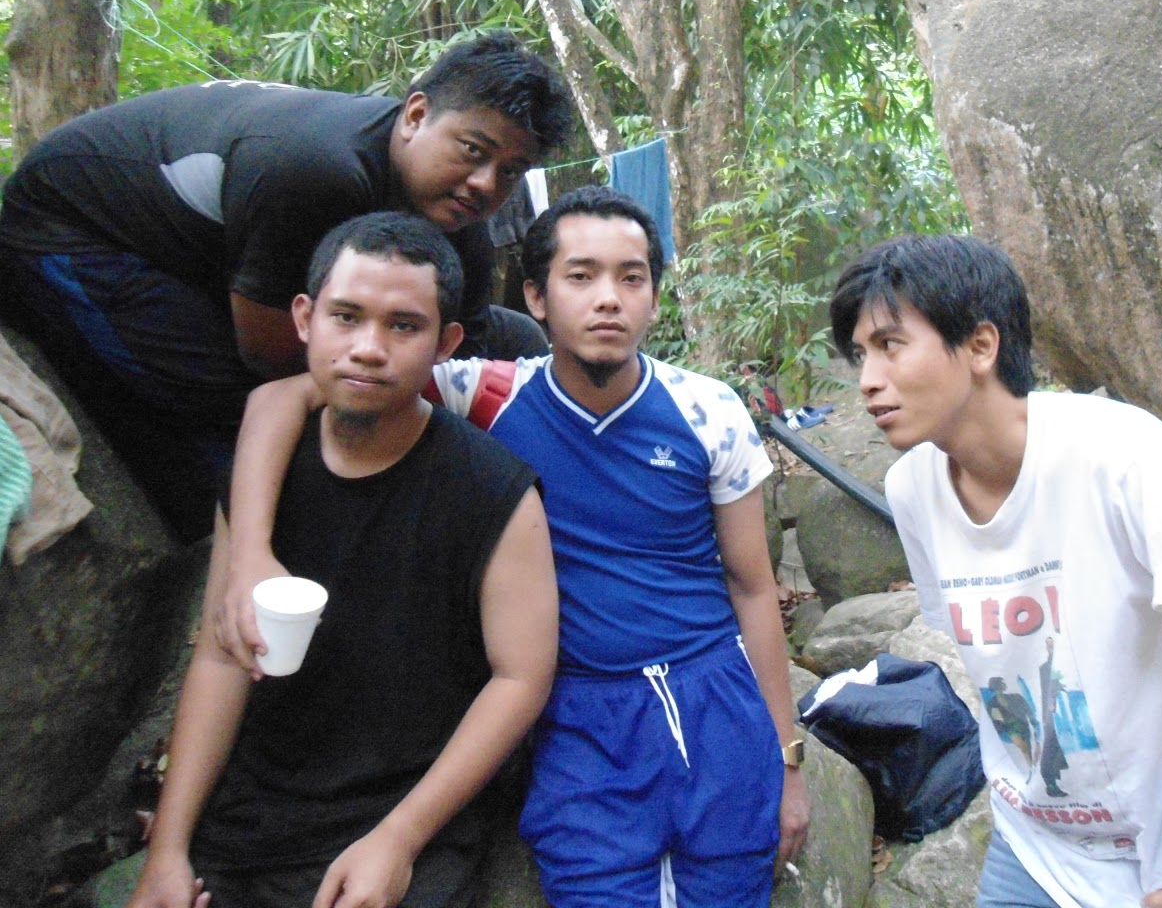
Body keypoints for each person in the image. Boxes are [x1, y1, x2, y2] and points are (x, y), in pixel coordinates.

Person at [217, 186, 808, 907]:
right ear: (535, 296)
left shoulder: (706, 408)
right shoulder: (486, 395)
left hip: (711, 692)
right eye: (581, 276)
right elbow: (280, 398)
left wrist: (788, 757)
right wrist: (249, 550)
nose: (608, 299)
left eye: (631, 278)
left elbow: (752, 586)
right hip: (576, 711)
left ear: (656, 299)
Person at [829, 234, 1162, 908]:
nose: (867, 378)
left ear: (981, 345)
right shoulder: (913, 487)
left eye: (890, 345)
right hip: (1039, 842)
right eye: (860, 354)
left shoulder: (1120, 456)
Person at [126, 211, 559, 908]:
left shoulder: (493, 492)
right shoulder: (264, 476)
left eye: (403, 326)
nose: (368, 349)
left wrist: (400, 839)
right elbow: (222, 655)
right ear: (305, 318)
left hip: (408, 809)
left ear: (445, 343)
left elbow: (522, 677)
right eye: (346, 317)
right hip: (254, 814)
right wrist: (167, 851)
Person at [0, 32, 570, 541]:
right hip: (73, 229)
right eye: (473, 151)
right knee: (243, 407)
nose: (485, 183)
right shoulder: (316, 169)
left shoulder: (460, 220)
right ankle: (214, 555)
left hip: (207, 255)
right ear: (416, 115)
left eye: (510, 171)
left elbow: (461, 361)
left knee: (508, 340)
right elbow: (269, 355)